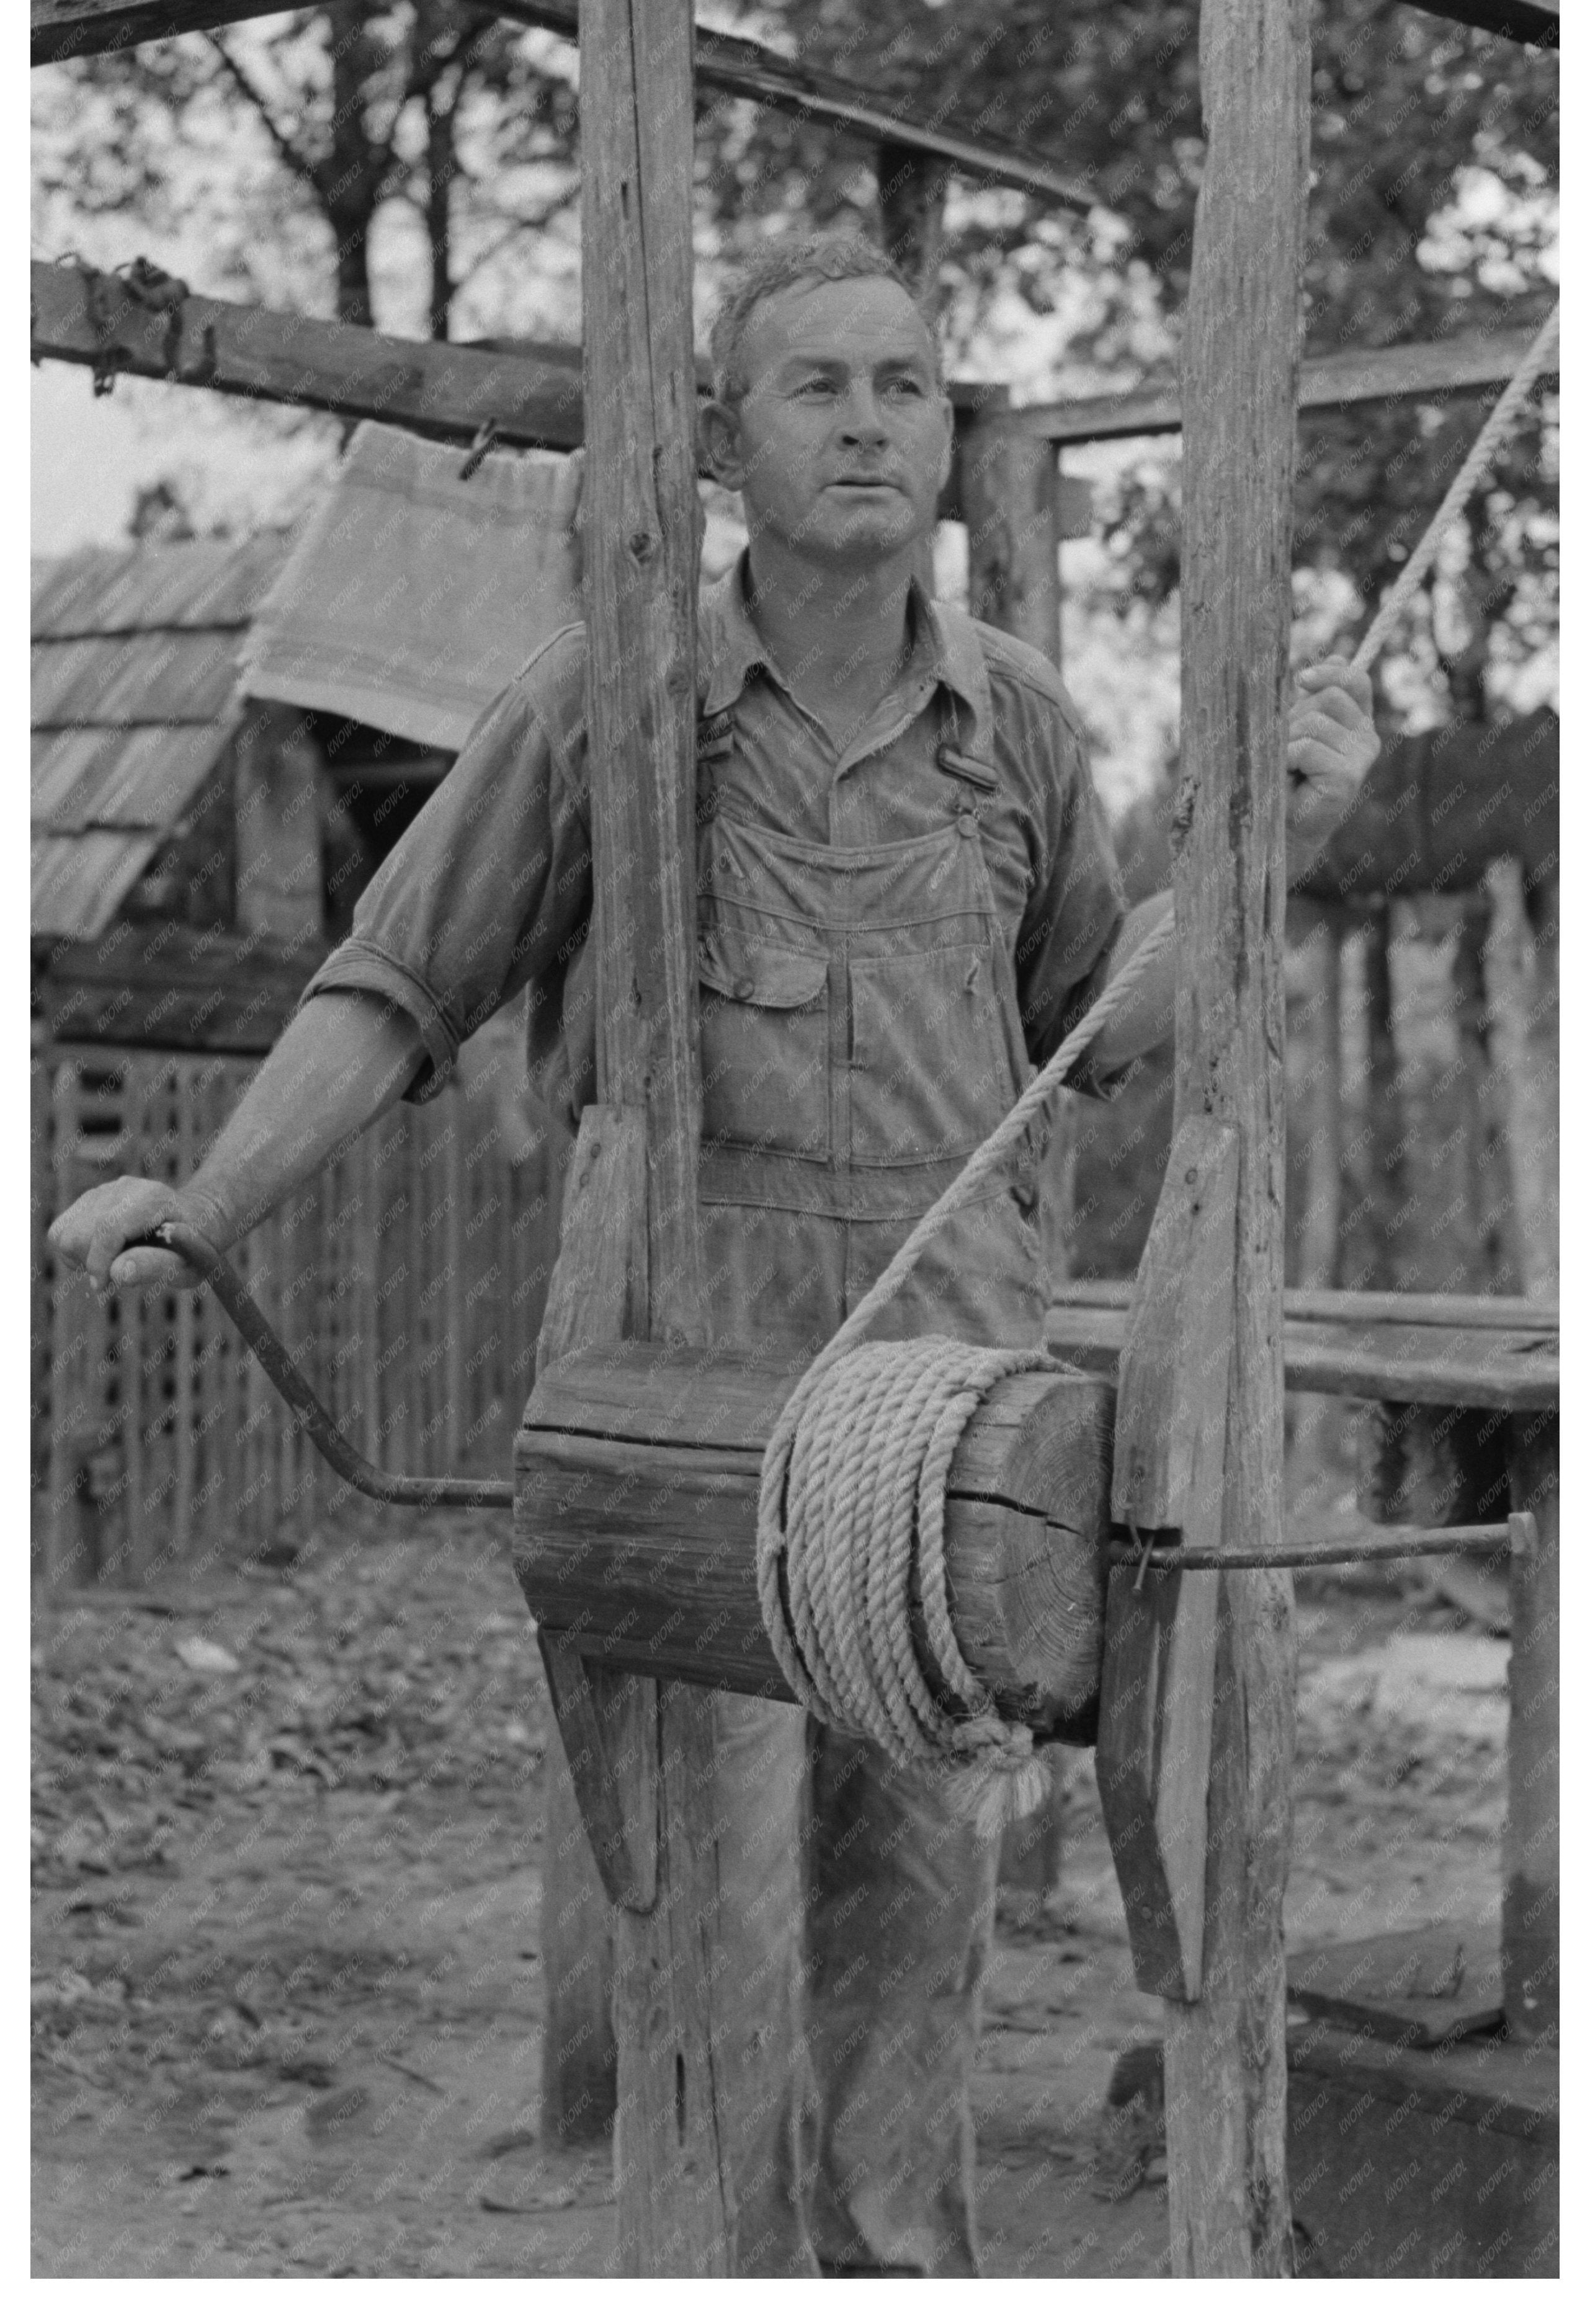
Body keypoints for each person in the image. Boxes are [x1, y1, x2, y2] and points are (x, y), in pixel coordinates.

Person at [50, 231, 1380, 2274]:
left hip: (946, 1433)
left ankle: (899, 2282)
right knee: (715, 1938)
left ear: (943, 431)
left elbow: (1092, 1051)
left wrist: (1264, 855)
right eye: (816, 386)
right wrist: (207, 1200)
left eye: (906, 385)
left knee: (915, 1931)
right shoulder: (608, 702)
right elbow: (397, 981)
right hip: (687, 1418)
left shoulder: (1015, 730)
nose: (867, 420)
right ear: (724, 441)